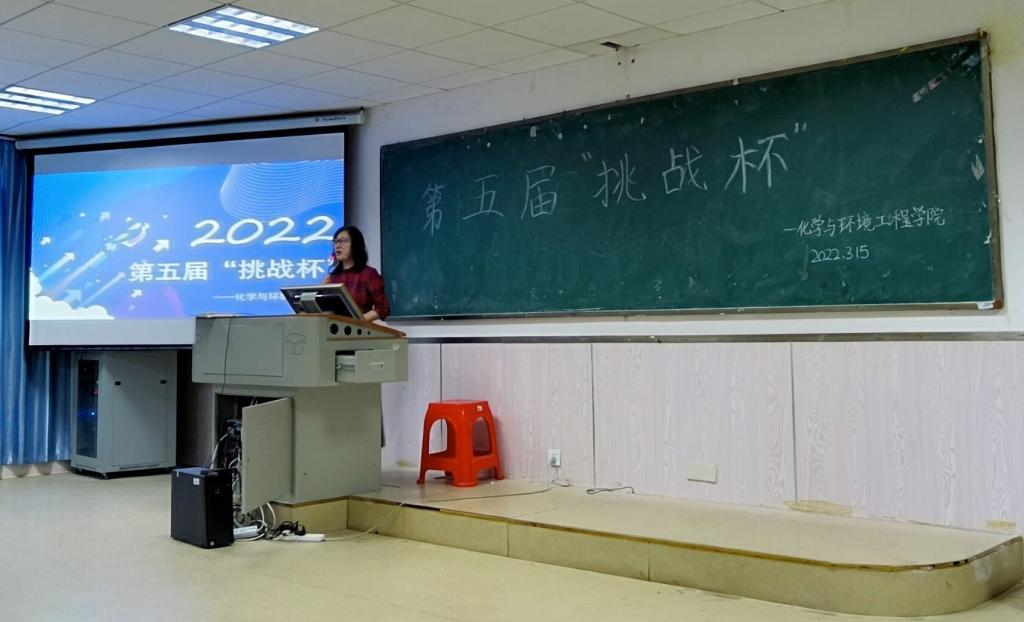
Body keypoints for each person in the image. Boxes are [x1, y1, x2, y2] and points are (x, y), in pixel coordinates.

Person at [321, 225, 389, 322]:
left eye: (343, 241)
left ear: (355, 245)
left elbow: (383, 308)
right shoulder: (332, 277)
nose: (338, 245)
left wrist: (356, 322)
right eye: (336, 241)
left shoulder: (368, 274)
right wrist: (321, 290)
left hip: (357, 329)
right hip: (333, 329)